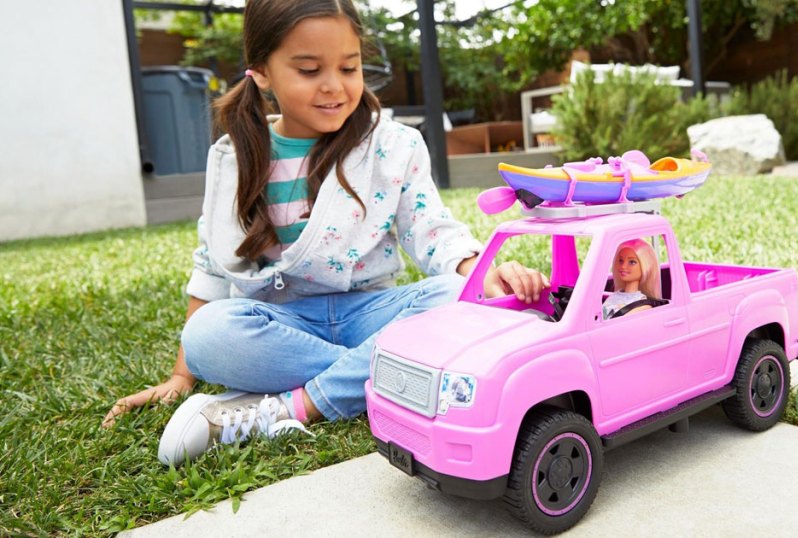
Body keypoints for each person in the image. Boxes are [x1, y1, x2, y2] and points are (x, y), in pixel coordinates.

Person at [102, 0, 548, 466]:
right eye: (309, 69)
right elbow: (212, 264)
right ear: (261, 72)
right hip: (281, 323)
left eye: (349, 67)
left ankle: (291, 406)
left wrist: (482, 275)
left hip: (370, 310)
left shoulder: (394, 146)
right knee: (206, 335)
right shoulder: (234, 157)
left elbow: (432, 231)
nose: (334, 86)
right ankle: (397, 368)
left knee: (455, 297)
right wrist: (181, 377)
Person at [602, 238, 661, 319]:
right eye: (621, 260)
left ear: (646, 266)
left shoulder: (642, 305)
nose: (623, 266)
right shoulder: (614, 296)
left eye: (632, 262)